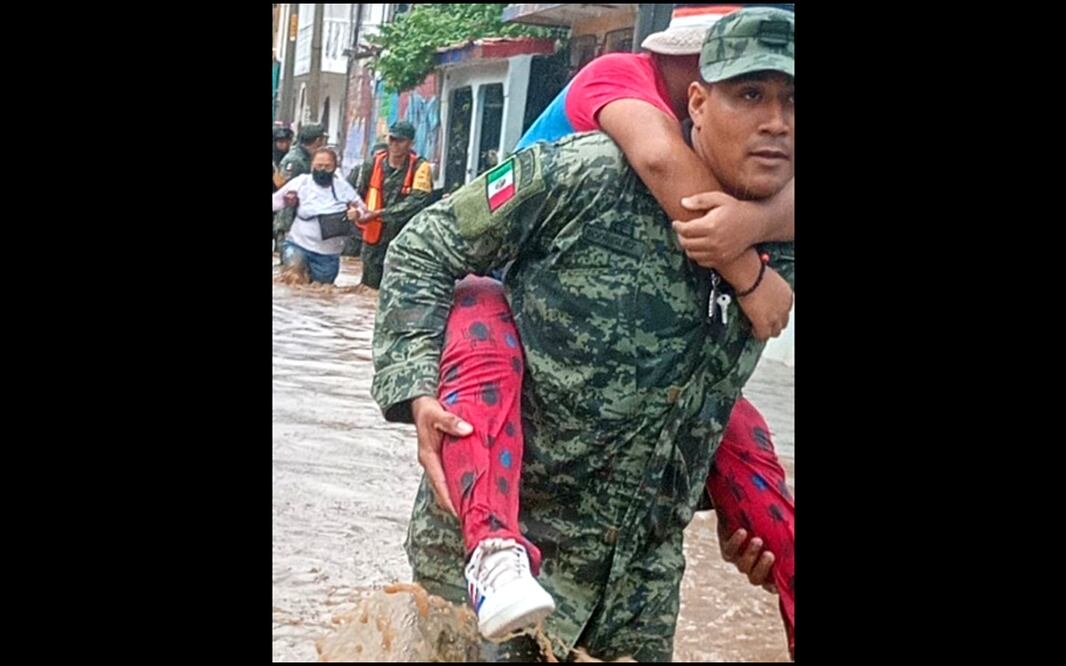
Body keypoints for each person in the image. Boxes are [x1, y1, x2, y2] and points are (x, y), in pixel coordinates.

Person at [372, 7, 794, 661]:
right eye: (751, 95)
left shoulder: (782, 244)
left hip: (636, 596)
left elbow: (693, 401)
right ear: (699, 103)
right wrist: (416, 389)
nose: (777, 123)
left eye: (795, 101)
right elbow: (423, 249)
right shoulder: (583, 176)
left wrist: (733, 512)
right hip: (492, 572)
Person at [347, 121, 433, 290]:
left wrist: (378, 213)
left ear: (411, 143)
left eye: (400, 141)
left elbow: (416, 203)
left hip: (406, 240)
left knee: (398, 289)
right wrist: (356, 211)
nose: (394, 144)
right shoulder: (371, 165)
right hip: (374, 239)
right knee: (368, 290)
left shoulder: (420, 168)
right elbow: (356, 196)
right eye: (392, 139)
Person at [272, 147, 366, 285]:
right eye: (319, 165)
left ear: (335, 168)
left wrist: (357, 213)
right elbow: (275, 201)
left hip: (328, 254)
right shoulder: (301, 182)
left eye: (327, 166)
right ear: (312, 166)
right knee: (293, 278)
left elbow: (364, 210)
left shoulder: (343, 187)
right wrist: (288, 200)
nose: (322, 170)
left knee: (322, 291)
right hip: (298, 244)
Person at [275, 124, 328, 250]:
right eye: (322, 140)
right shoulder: (294, 160)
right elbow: (284, 190)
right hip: (290, 223)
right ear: (317, 140)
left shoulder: (309, 158)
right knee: (290, 266)